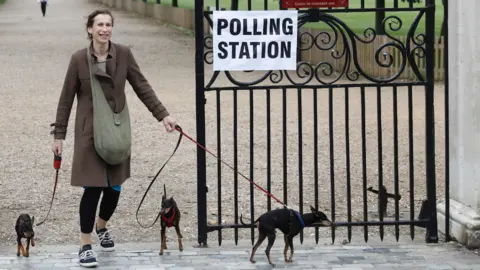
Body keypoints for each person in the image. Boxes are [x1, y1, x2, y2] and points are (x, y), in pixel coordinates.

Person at [50, 9, 177, 268]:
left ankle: (102, 226)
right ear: (90, 29)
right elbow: (66, 99)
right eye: (99, 25)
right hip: (90, 132)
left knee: (114, 188)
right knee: (93, 187)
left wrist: (163, 115)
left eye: (108, 24)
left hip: (117, 128)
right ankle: (85, 245)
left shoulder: (124, 55)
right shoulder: (78, 60)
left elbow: (142, 87)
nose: (104, 29)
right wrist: (59, 134)